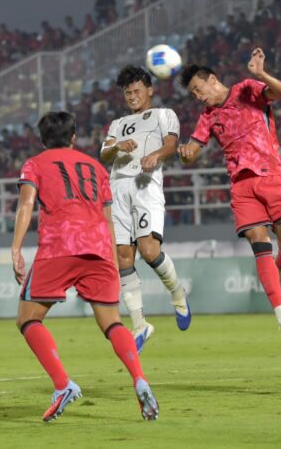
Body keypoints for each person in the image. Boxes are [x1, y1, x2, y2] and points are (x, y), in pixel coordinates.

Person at [11, 111, 158, 422]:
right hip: (99, 247)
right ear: (73, 137)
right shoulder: (96, 167)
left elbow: (26, 204)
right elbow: (108, 217)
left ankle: (63, 385)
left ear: (43, 139)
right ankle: (140, 379)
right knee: (112, 323)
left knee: (28, 318)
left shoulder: (34, 164)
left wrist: (16, 248)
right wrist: (112, 257)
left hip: (60, 245)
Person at [177, 48, 281, 341]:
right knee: (259, 241)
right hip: (241, 187)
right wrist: (184, 153)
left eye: (198, 89)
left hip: (271, 176)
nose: (197, 96)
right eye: (192, 93)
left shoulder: (246, 90)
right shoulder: (207, 117)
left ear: (212, 79)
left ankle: (280, 268)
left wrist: (261, 74)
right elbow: (192, 152)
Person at [99, 65, 190, 352]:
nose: (132, 96)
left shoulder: (164, 114)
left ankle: (177, 293)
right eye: (128, 93)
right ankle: (140, 326)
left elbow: (171, 145)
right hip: (117, 189)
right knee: (123, 256)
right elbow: (104, 153)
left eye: (137, 90)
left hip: (145, 185)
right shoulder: (118, 123)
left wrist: (156, 155)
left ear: (150, 90)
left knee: (149, 251)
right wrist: (117, 147)